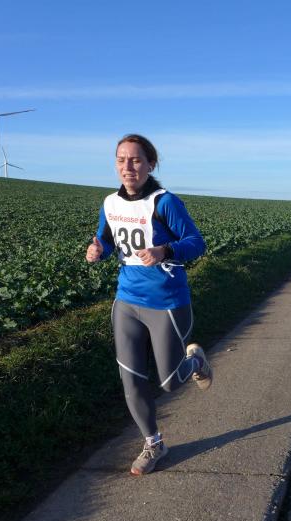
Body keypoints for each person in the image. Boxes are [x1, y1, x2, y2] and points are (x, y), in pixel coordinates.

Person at [85, 133, 210, 475]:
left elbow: (196, 243)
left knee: (170, 382)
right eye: (121, 159)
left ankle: (196, 360)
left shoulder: (164, 202)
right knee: (132, 379)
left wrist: (164, 250)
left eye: (136, 159)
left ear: (151, 164)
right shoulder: (110, 203)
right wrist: (98, 251)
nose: (127, 166)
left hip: (167, 302)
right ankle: (154, 443)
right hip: (126, 301)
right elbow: (106, 241)